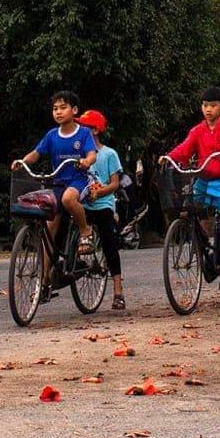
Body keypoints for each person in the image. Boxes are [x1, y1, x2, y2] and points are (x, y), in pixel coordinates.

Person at [169, 87, 220, 290]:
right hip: (203, 179)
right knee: (190, 212)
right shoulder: (198, 130)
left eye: (213, 105)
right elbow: (184, 148)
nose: (208, 109)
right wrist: (169, 157)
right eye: (205, 105)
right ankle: (206, 250)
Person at [11, 88, 96, 259]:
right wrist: (22, 162)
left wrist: (86, 161)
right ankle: (44, 280)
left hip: (78, 180)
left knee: (68, 199)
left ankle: (85, 230)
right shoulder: (51, 135)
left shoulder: (83, 133)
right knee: (49, 229)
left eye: (63, 107)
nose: (58, 112)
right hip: (57, 183)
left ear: (74, 110)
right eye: (55, 108)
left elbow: (91, 154)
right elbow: (36, 154)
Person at [79, 109, 126, 312]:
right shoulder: (79, 154)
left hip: (103, 203)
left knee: (109, 243)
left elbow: (115, 183)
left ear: (95, 130)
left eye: (85, 127)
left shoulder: (109, 154)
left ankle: (118, 290)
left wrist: (99, 192)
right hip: (83, 203)